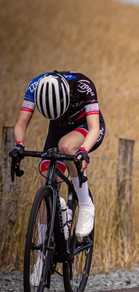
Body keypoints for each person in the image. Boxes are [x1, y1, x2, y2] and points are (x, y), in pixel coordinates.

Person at [9, 70, 105, 240]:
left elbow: (94, 128)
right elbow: (21, 123)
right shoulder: (34, 86)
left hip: (84, 127)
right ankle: (42, 253)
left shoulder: (84, 86)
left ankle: (85, 203)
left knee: (66, 146)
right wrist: (19, 145)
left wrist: (83, 150)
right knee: (46, 184)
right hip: (57, 127)